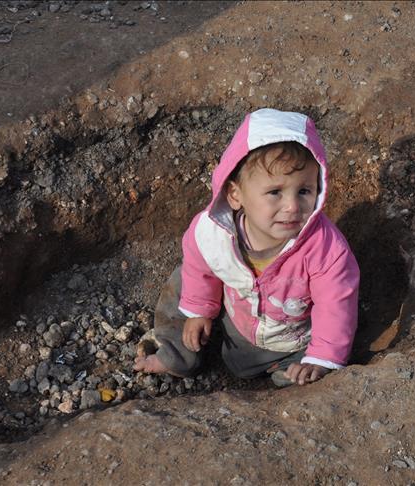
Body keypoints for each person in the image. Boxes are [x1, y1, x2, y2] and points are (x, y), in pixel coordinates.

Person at [133, 108, 359, 386]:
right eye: (275, 192)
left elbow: (336, 305)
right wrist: (200, 310)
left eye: (304, 191)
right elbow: (199, 268)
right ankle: (176, 355)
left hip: (284, 336)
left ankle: (290, 368)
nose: (292, 206)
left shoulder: (325, 249)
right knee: (183, 282)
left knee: (275, 368)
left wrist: (321, 357)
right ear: (235, 195)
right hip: (235, 314)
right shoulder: (213, 233)